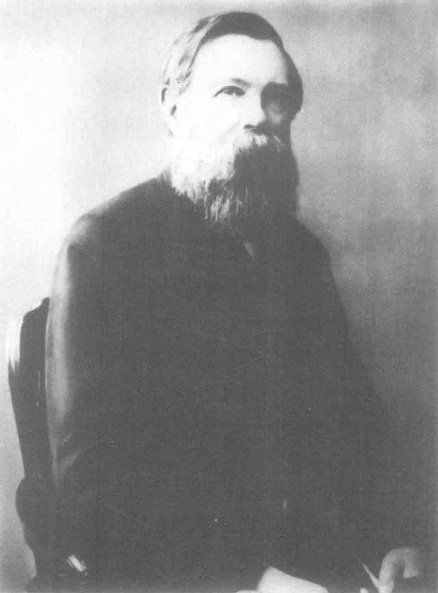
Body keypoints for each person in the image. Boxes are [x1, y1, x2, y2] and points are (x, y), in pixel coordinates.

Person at [26, 11, 429, 593]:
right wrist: (253, 580)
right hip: (165, 572)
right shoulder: (107, 247)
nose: (258, 116)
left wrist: (394, 536)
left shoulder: (299, 252)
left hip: (302, 560)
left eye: (276, 98)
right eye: (231, 92)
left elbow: (353, 419)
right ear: (174, 109)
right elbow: (96, 493)